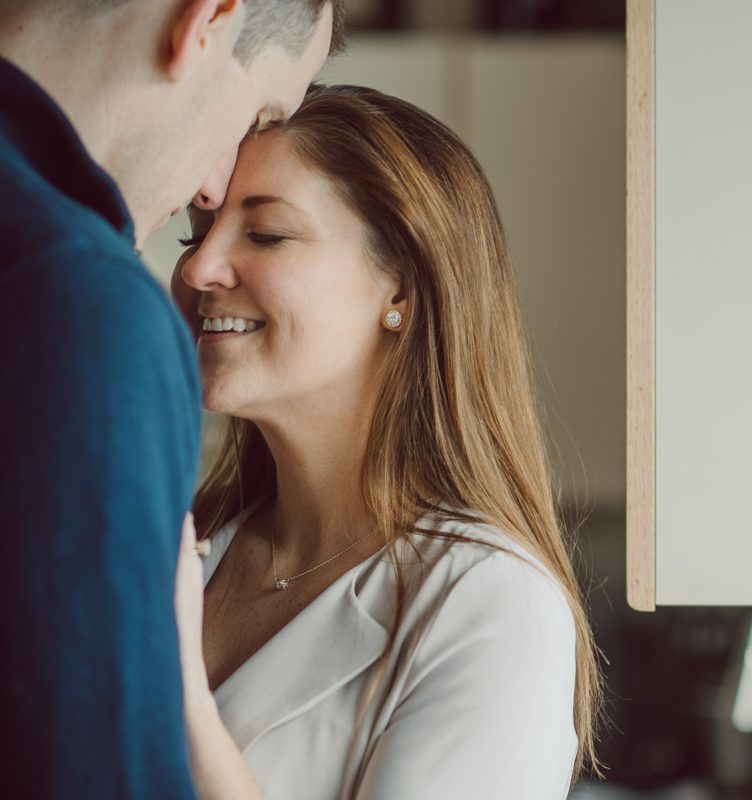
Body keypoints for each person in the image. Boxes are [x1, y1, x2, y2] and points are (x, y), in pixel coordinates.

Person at [169, 83, 601, 799]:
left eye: (266, 233)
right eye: (196, 232)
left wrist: (179, 699)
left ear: (398, 285)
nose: (196, 268)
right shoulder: (195, 547)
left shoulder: (490, 604)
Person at [0, 2, 341, 797]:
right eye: (257, 114)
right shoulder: (81, 300)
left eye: (266, 233)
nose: (213, 179)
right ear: (208, 20)